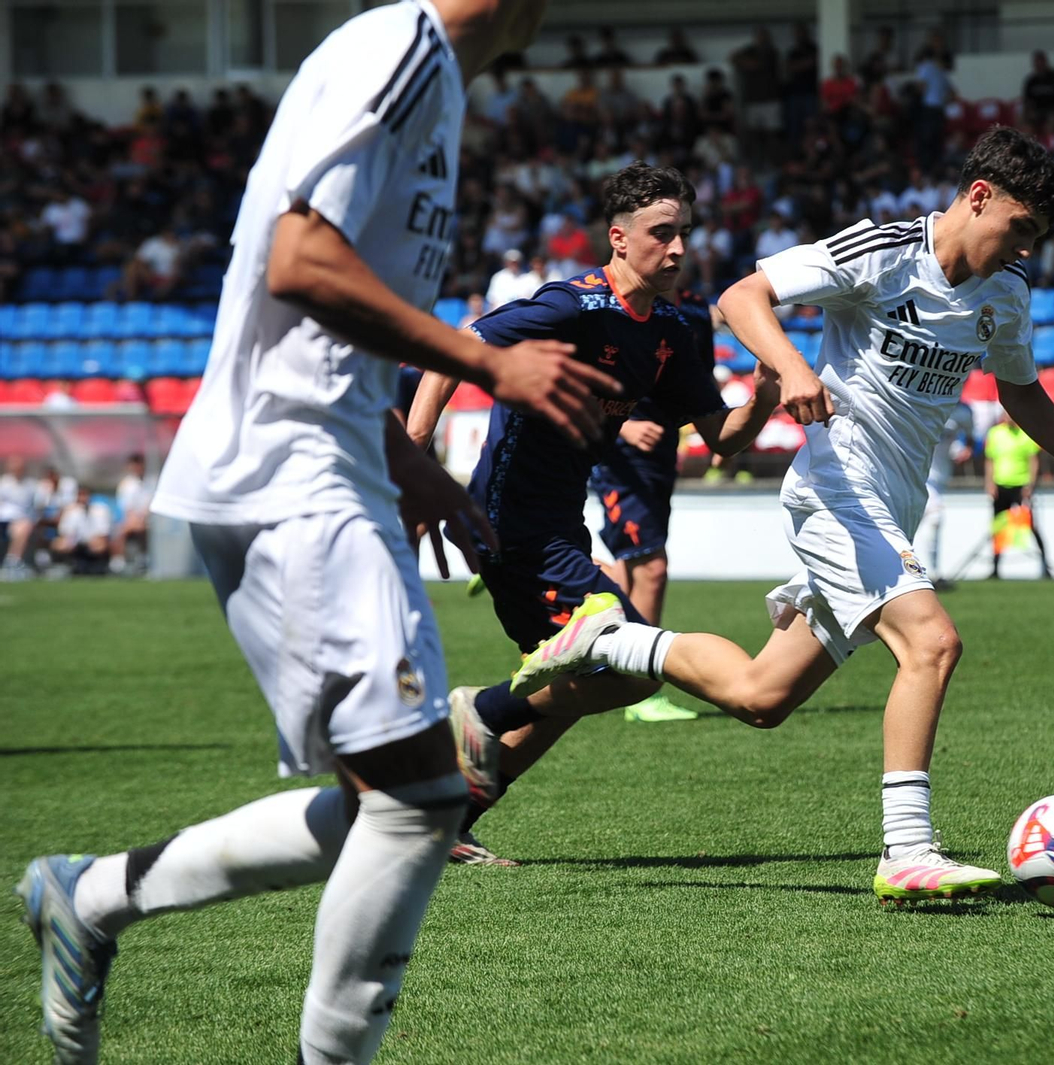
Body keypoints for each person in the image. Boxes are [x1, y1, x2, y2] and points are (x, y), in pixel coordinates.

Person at [11, 3, 622, 1063]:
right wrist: (489, 363)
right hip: (290, 473)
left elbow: (309, 325)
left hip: (328, 466)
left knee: (405, 797)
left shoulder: (433, 80)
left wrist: (410, 462)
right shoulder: (402, 53)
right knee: (418, 803)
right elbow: (299, 262)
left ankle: (91, 895)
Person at [500, 128, 1054, 904]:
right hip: (837, 490)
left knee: (761, 696)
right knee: (932, 642)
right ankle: (907, 849)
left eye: (1036, 236)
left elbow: (1017, 386)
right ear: (978, 197)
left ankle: (610, 639)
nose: (1023, 247)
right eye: (1020, 227)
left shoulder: (1007, 291)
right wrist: (792, 365)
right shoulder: (886, 252)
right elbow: (741, 296)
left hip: (894, 507)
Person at [405, 163, 780, 864]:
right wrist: (418, 456)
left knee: (576, 682)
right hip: (511, 522)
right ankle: (479, 711)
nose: (678, 248)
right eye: (661, 233)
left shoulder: (670, 329)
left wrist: (764, 394)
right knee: (630, 669)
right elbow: (457, 345)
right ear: (619, 238)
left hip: (559, 525)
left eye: (685, 233)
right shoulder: (572, 306)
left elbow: (723, 439)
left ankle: (448, 816)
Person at [588, 285, 722, 723]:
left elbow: (699, 379)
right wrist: (622, 426)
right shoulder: (615, 303)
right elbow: (581, 376)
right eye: (666, 245)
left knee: (629, 568)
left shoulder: (695, 307)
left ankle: (611, 673)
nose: (676, 252)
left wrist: (715, 433)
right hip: (619, 455)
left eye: (684, 246)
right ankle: (640, 691)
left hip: (662, 451)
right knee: (651, 566)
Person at [985, 409, 1051, 579]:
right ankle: (995, 568)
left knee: (1031, 526)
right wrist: (989, 483)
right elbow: (990, 460)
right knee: (999, 527)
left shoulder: (1026, 434)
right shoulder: (995, 434)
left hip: (1021, 487)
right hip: (1000, 486)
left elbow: (1033, 461)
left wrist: (1030, 485)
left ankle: (1045, 565)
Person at [915, 402, 974, 590]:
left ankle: (923, 573)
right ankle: (931, 574)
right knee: (935, 517)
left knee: (923, 522)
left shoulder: (963, 412)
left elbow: (969, 436)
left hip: (939, 478)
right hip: (918, 475)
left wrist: (964, 449)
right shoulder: (921, 402)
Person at [111, 453, 154, 574]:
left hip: (149, 519)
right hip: (132, 519)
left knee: (143, 527)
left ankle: (144, 559)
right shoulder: (126, 485)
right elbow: (127, 509)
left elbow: (151, 504)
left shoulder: (151, 482)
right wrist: (137, 521)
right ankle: (118, 561)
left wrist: (144, 517)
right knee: (122, 530)